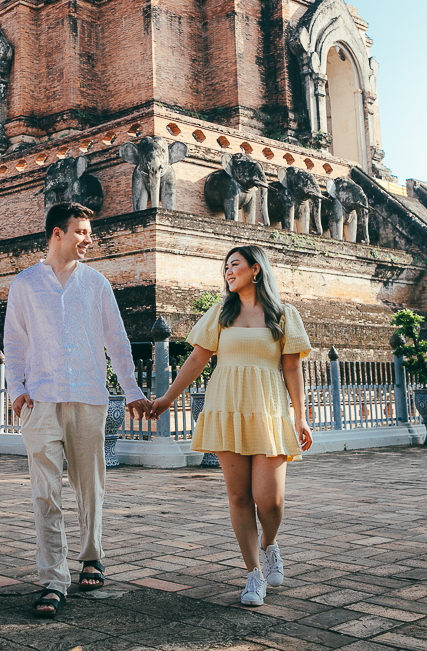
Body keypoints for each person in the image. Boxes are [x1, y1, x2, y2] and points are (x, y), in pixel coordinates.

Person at [4, 201, 152, 618]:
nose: (89, 239)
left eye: (89, 232)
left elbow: (117, 341)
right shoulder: (25, 284)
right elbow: (14, 342)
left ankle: (92, 556)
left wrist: (131, 390)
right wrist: (16, 389)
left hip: (88, 395)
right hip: (41, 399)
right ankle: (53, 579)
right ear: (57, 234)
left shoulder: (97, 284)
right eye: (82, 232)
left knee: (90, 486)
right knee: (45, 492)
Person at [151, 244, 313, 606]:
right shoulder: (219, 314)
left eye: (235, 265)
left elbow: (291, 368)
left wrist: (300, 415)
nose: (228, 271)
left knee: (268, 500)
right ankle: (254, 574)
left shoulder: (284, 315)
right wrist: (167, 399)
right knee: (239, 496)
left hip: (268, 410)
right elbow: (196, 359)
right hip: (226, 407)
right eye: (225, 267)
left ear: (256, 270)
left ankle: (270, 545)